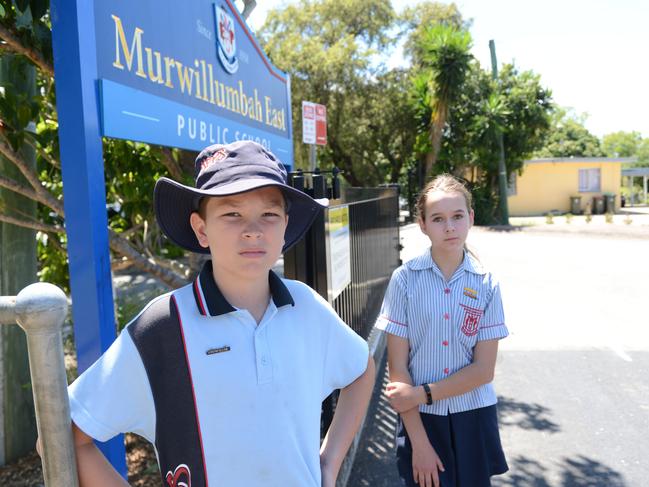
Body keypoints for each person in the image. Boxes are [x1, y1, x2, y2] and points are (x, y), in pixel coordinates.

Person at [62, 140, 375, 487]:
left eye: (269, 214)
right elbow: (67, 436)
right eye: (232, 214)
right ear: (201, 229)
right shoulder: (162, 328)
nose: (253, 229)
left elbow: (362, 369)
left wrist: (329, 464)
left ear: (285, 225)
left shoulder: (306, 307)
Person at [375, 174, 508, 487]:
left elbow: (483, 371)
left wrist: (422, 394)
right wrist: (419, 444)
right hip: (421, 421)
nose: (450, 227)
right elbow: (399, 374)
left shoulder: (487, 283)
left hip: (473, 417)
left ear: (470, 218)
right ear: (422, 224)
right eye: (438, 219)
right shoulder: (404, 280)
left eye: (458, 216)